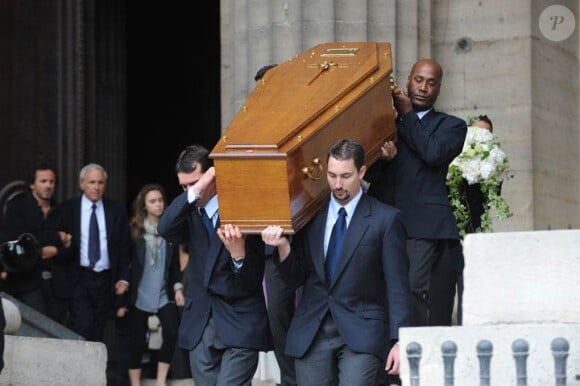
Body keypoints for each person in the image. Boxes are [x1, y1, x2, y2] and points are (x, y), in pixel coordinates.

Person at [261, 138, 413, 386]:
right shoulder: (309, 215)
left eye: (345, 176)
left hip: (362, 331)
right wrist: (283, 247)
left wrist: (400, 340)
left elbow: (398, 287)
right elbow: (295, 277)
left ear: (361, 171)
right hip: (313, 330)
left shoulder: (386, 219)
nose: (338, 184)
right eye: (332, 176)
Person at [157, 144, 272, 385]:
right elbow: (164, 228)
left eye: (195, 182)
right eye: (185, 186)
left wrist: (238, 255)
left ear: (215, 175)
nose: (192, 191)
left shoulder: (245, 207)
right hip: (200, 325)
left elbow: (254, 277)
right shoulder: (188, 212)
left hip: (240, 323)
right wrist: (197, 188)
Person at [367, 58, 467, 328]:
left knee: (410, 292)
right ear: (408, 81)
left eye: (431, 82)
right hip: (381, 220)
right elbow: (365, 175)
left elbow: (433, 153)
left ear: (438, 88)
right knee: (375, 292)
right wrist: (383, 160)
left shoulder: (452, 126)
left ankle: (412, 359)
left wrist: (409, 114)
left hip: (422, 226)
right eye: (418, 80)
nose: (423, 87)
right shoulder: (386, 123)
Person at [255, 63, 298, 386]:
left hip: (311, 239)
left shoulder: (305, 120)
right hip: (272, 245)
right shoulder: (251, 132)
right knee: (280, 320)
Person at [62, 163, 131, 342]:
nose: (96, 187)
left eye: (100, 182)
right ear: (82, 184)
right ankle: (81, 367)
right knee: (83, 324)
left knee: (99, 328)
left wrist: (123, 278)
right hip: (80, 278)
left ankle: (94, 369)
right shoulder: (69, 209)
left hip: (105, 280)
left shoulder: (115, 210)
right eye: (92, 182)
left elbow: (124, 247)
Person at [126, 183, 182, 386]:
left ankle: (160, 381)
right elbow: (125, 262)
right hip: (140, 293)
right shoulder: (135, 231)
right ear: (144, 206)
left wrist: (178, 288)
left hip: (163, 293)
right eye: (153, 201)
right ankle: (135, 383)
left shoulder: (169, 232)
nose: (158, 205)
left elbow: (174, 266)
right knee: (137, 340)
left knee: (172, 331)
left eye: (160, 200)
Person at [2, 162, 72, 321]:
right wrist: (56, 237)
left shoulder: (62, 211)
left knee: (58, 335)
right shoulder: (17, 206)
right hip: (27, 283)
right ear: (32, 185)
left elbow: (71, 247)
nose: (48, 186)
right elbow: (20, 240)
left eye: (51, 182)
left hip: (57, 286)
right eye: (43, 181)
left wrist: (56, 250)